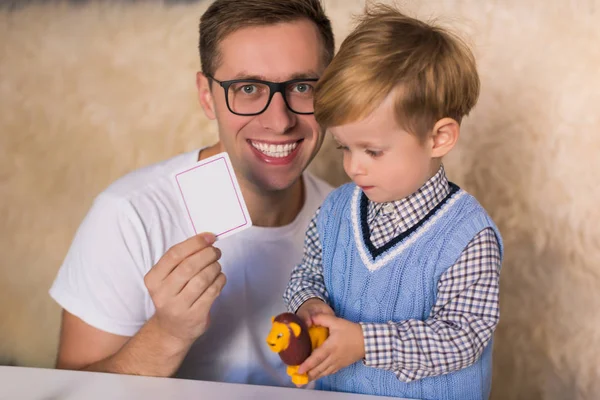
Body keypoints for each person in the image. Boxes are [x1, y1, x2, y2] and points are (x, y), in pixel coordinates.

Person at [49, 0, 335, 387]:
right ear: (206, 96)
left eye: (302, 87)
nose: (279, 121)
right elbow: (65, 392)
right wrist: (167, 334)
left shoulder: (350, 218)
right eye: (247, 88)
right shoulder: (130, 215)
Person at [283, 4, 503, 399]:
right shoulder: (335, 210)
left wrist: (365, 342)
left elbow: (462, 338)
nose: (353, 168)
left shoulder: (468, 236)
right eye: (344, 148)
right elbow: (307, 273)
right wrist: (311, 305)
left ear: (439, 139)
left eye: (373, 151)